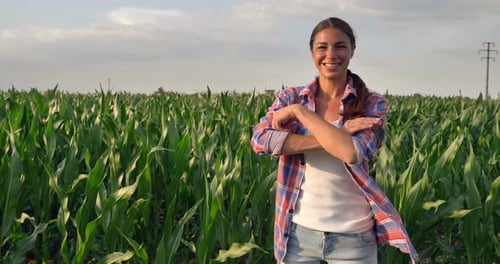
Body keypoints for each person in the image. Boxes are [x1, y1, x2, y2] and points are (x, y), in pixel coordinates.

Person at [251, 17, 417, 264]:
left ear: (352, 50)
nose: (331, 54)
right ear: (312, 52)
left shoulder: (371, 103)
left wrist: (300, 113)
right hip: (297, 233)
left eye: (340, 46)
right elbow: (261, 140)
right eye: (322, 47)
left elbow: (351, 152)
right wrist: (340, 132)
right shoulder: (290, 96)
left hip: (354, 237)